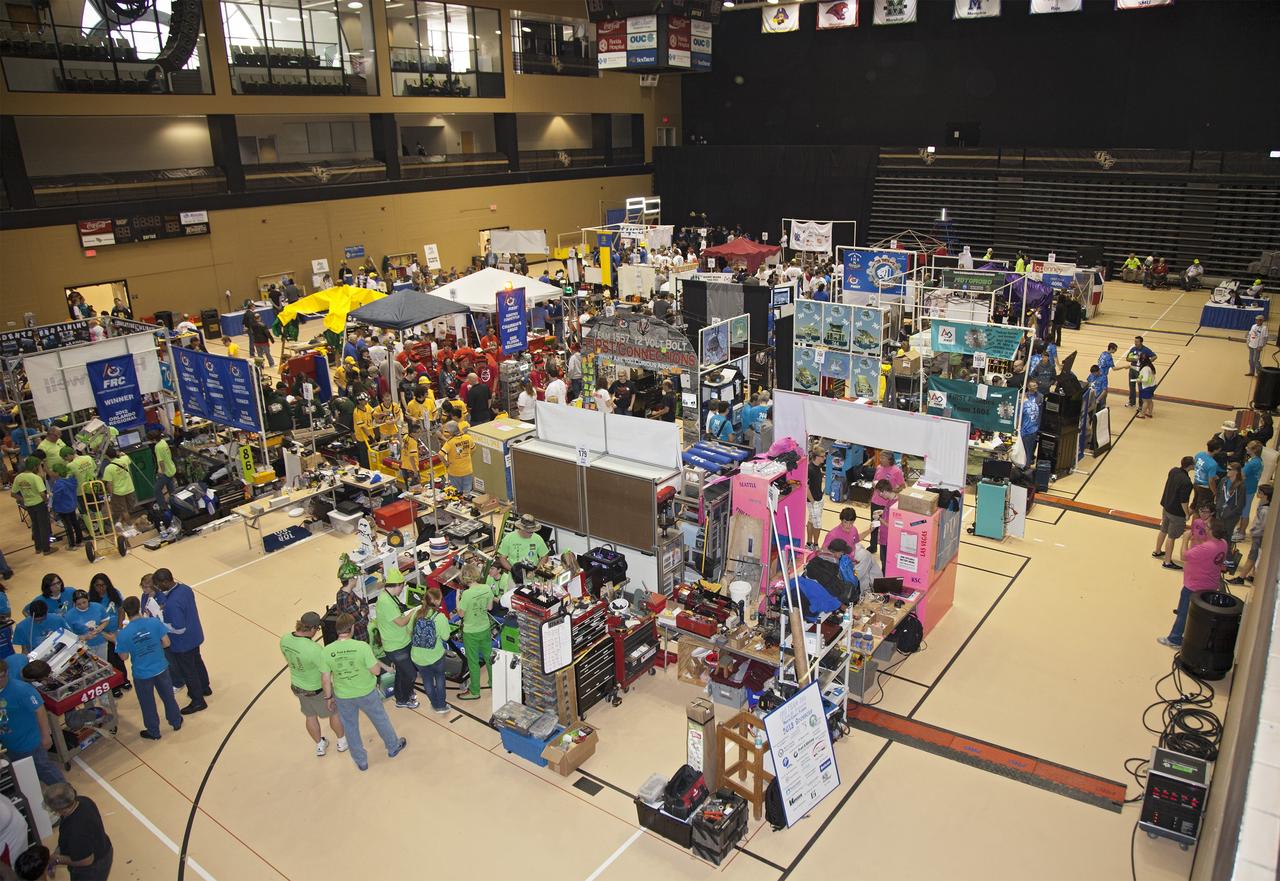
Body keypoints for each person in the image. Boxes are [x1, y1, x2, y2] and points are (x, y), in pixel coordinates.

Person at [318, 613, 406, 771]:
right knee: (380, 719)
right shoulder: (362, 647)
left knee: (351, 728)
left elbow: (325, 679)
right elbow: (376, 671)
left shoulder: (327, 651)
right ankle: (393, 746)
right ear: (351, 628)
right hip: (366, 692)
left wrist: (329, 697)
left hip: (343, 696)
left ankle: (361, 761)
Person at [113, 596, 183, 741]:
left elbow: (124, 657)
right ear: (139, 607)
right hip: (161, 667)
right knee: (168, 697)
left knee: (147, 703)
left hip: (142, 674)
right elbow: (166, 643)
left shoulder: (123, 634)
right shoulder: (154, 622)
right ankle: (176, 721)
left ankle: (154, 731)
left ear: (125, 612)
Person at [279, 610, 347, 756]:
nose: (317, 631)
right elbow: (326, 674)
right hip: (316, 689)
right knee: (334, 712)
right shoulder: (314, 649)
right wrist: (329, 697)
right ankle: (342, 741)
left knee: (310, 716)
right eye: (317, 629)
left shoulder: (285, 639)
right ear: (312, 629)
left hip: (298, 686)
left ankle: (319, 745)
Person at [1158, 520, 1229, 649]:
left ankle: (1175, 638)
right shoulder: (1223, 544)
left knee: (1183, 612)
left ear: (1212, 532)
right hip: (1210, 584)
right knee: (1199, 614)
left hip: (1194, 585)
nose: (1205, 527)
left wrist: (1185, 539)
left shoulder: (1207, 547)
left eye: (1208, 526)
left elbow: (1184, 556)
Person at [153, 568, 211, 714]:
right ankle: (205, 687)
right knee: (197, 661)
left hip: (183, 642)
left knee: (188, 671)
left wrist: (161, 625)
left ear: (166, 582)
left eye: (159, 585)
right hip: (195, 635)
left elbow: (179, 628)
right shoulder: (185, 589)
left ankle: (198, 701)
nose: (159, 589)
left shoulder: (172, 603)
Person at [0, 659, 64, 784]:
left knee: (45, 769)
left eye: (1, 677)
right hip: (9, 743)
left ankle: (67, 795)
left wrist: (46, 736)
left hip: (29, 743)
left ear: (7, 673)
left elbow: (39, 709)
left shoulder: (22, 690)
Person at [44, 784, 111, 880]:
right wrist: (56, 854)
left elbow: (87, 860)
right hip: (103, 848)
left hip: (92, 869)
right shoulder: (82, 801)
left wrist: (57, 859)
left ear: (62, 810)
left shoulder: (76, 831)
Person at [455, 562, 502, 701]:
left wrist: (458, 599)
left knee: (473, 662)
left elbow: (461, 614)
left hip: (471, 631)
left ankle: (475, 691)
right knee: (489, 658)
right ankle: (494, 683)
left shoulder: (467, 595)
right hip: (485, 628)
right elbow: (489, 607)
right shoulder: (487, 588)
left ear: (464, 578)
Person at [374, 567, 418, 710]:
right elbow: (401, 622)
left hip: (402, 641)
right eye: (402, 586)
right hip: (396, 646)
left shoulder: (388, 596)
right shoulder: (386, 602)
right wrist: (414, 612)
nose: (402, 590)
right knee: (410, 674)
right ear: (398, 585)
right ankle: (405, 699)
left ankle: (401, 696)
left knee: (401, 672)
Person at [410, 587, 451, 715]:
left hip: (417, 657)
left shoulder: (417, 613)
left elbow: (409, 632)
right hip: (435, 655)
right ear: (438, 601)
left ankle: (434, 704)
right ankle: (442, 705)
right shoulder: (440, 617)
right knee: (439, 678)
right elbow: (446, 637)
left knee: (427, 680)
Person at [87, 574, 129, 694]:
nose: (101, 588)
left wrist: (120, 627)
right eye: (97, 585)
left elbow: (121, 610)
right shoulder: (91, 599)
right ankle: (114, 686)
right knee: (109, 660)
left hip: (116, 631)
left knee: (119, 658)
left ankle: (124, 679)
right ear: (93, 586)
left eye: (103, 585)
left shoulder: (114, 593)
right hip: (103, 635)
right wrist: (102, 631)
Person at [1154, 457, 1194, 570]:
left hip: (1166, 506)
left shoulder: (1173, 471)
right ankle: (1167, 562)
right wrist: (1186, 514)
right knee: (1171, 537)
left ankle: (1157, 551)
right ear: (1190, 466)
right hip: (1176, 513)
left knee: (1163, 529)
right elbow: (1184, 501)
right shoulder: (1187, 482)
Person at [1228, 484, 1271, 586]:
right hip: (1257, 535)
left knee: (1252, 556)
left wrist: (1254, 532)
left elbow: (1263, 526)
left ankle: (1241, 578)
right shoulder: (1263, 504)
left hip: (1259, 536)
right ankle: (1253, 575)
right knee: (1255, 556)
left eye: (1259, 492)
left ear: (1264, 495)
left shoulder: (1266, 511)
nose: (1257, 494)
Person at [10, 457, 51, 555]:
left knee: (35, 525)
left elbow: (13, 493)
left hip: (29, 505)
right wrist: (47, 501)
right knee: (44, 526)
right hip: (39, 504)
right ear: (35, 467)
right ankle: (46, 549)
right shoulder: (36, 478)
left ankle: (38, 548)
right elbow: (42, 494)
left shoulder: (19, 477)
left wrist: (23, 499)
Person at [868, 451, 904, 555]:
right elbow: (874, 481)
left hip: (887, 504)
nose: (881, 460)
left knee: (885, 526)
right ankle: (873, 546)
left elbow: (902, 487)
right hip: (875, 501)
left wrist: (890, 491)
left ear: (889, 459)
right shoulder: (879, 467)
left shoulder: (897, 471)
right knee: (874, 524)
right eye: (880, 458)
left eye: (883, 458)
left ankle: (886, 548)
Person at [497, 514, 550, 578]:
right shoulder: (509, 538)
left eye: (532, 531)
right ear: (521, 528)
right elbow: (502, 558)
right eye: (529, 532)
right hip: (514, 577)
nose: (531, 533)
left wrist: (535, 570)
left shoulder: (537, 538)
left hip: (532, 576)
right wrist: (513, 570)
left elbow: (544, 556)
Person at [64, 591, 109, 663]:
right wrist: (84, 637)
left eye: (84, 602)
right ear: (74, 603)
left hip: (101, 643)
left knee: (103, 664)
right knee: (89, 668)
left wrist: (100, 628)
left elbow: (106, 620)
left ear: (88, 599)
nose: (82, 605)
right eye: (79, 604)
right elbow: (69, 636)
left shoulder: (98, 607)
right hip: (83, 647)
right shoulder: (69, 616)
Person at [102, 449, 141, 532]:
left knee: (124, 510)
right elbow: (125, 456)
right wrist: (121, 454)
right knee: (128, 509)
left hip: (118, 492)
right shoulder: (124, 460)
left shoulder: (108, 468)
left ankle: (130, 527)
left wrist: (111, 495)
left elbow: (109, 484)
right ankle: (120, 523)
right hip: (130, 489)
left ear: (107, 456)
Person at [49, 464, 84, 550]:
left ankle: (72, 545)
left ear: (57, 473)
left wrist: (52, 504)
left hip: (62, 507)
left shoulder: (58, 484)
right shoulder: (72, 480)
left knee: (68, 525)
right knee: (75, 522)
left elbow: (56, 497)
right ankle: (80, 541)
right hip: (72, 504)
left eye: (53, 472)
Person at [1214, 462, 1245, 544]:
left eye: (1229, 469)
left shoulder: (1241, 486)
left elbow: (1241, 504)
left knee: (1226, 537)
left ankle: (1226, 555)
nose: (1227, 471)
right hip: (1220, 513)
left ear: (1236, 472)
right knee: (1217, 535)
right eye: (1227, 469)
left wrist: (1229, 513)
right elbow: (1218, 494)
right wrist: (1218, 507)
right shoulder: (1224, 481)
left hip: (1231, 517)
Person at [440, 421, 474, 493]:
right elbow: (473, 449)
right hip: (468, 470)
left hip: (454, 471)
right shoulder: (468, 437)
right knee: (467, 493)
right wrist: (467, 456)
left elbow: (440, 454)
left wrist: (446, 463)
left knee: (455, 492)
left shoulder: (450, 442)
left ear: (450, 432)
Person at [334, 576, 370, 643]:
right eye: (356, 577)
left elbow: (364, 604)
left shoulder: (344, 592)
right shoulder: (347, 599)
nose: (357, 580)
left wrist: (361, 611)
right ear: (351, 579)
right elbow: (363, 622)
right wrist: (362, 611)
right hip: (359, 639)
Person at [1124, 336, 1155, 407]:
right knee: (1131, 386)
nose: (1135, 343)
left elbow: (1154, 356)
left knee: (1141, 388)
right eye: (1135, 341)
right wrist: (1135, 359)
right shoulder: (1133, 349)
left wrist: (1146, 362)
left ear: (1141, 342)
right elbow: (1127, 358)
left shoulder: (1146, 350)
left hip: (1140, 371)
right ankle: (1132, 402)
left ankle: (1141, 404)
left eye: (1137, 342)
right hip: (1132, 370)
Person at [805, 447, 825, 549]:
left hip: (819, 499)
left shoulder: (818, 467)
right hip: (813, 501)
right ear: (816, 457)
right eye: (822, 456)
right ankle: (816, 545)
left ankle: (809, 543)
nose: (824, 458)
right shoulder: (809, 469)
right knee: (818, 524)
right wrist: (812, 500)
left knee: (811, 521)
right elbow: (806, 486)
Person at [1020, 381, 1043, 462]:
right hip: (1024, 425)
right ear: (1029, 387)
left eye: (1036, 385)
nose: (1036, 386)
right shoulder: (1024, 396)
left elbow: (1040, 412)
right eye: (1033, 386)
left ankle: (1029, 461)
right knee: (1023, 446)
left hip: (1034, 425)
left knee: (1031, 446)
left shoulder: (1040, 396)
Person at [1135, 353, 1157, 419]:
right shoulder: (1150, 366)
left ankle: (1142, 415)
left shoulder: (1145, 368)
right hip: (1152, 385)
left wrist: (1139, 380)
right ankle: (1150, 413)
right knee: (1150, 400)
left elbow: (1145, 379)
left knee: (1145, 401)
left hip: (1147, 387)